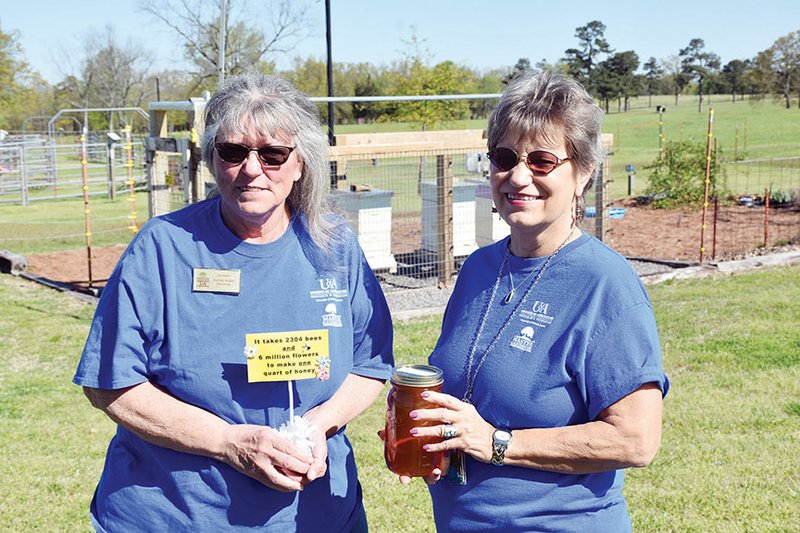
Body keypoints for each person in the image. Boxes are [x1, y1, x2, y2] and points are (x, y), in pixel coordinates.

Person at [73, 74, 393, 532]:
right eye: (233, 151)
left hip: (313, 516)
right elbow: (109, 383)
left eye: (273, 154)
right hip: (178, 516)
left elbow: (370, 362)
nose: (251, 168)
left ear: (300, 164)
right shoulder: (163, 247)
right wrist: (228, 442)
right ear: (212, 159)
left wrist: (319, 424)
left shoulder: (335, 246)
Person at [408, 70, 669, 531]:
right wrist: (437, 438)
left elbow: (636, 440)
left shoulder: (605, 284)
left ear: (583, 171)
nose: (518, 176)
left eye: (542, 161)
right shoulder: (479, 269)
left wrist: (498, 443)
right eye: (504, 157)